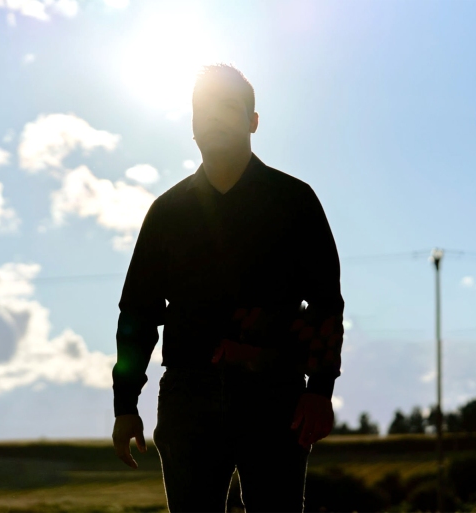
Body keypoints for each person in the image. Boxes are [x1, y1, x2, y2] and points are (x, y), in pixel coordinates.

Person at [111, 63, 344, 513]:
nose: (214, 118)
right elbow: (137, 312)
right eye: (203, 110)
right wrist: (125, 405)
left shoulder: (295, 201)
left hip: (276, 396)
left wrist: (320, 389)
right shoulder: (167, 212)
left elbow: (325, 302)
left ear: (253, 121)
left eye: (228, 107)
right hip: (187, 396)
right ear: (192, 124)